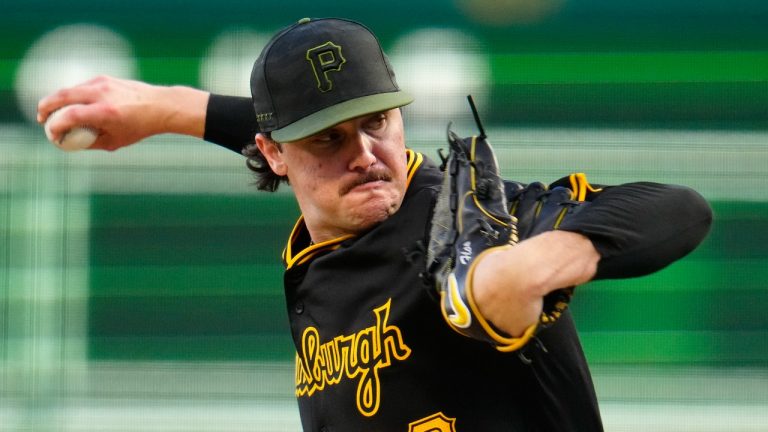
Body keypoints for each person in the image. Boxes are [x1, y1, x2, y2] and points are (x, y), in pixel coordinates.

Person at [38, 17, 712, 432]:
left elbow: (679, 210)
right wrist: (169, 107)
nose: (364, 155)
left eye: (376, 122)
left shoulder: (470, 221)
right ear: (271, 153)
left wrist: (532, 264)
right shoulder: (320, 234)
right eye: (330, 139)